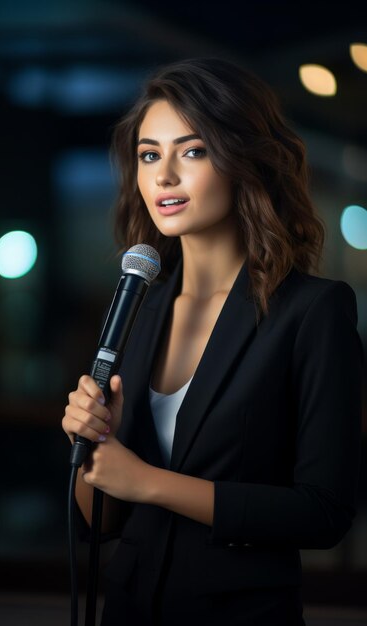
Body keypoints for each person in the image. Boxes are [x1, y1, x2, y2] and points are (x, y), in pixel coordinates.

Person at [62, 57, 364, 626]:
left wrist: (149, 482)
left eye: (192, 151)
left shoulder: (311, 310)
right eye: (150, 154)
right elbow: (101, 520)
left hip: (241, 613)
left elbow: (323, 512)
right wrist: (93, 449)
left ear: (243, 160)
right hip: (128, 610)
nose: (163, 176)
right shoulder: (138, 305)